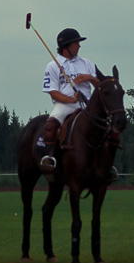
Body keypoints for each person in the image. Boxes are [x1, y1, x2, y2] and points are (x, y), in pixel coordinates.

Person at [38, 28, 101, 175]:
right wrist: (71, 99)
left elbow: (100, 86)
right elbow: (53, 92)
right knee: (51, 125)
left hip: (87, 105)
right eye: (76, 43)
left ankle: (106, 163)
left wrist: (90, 78)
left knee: (106, 124)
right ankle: (50, 158)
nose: (79, 46)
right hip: (64, 105)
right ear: (66, 46)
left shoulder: (86, 63)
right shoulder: (53, 65)